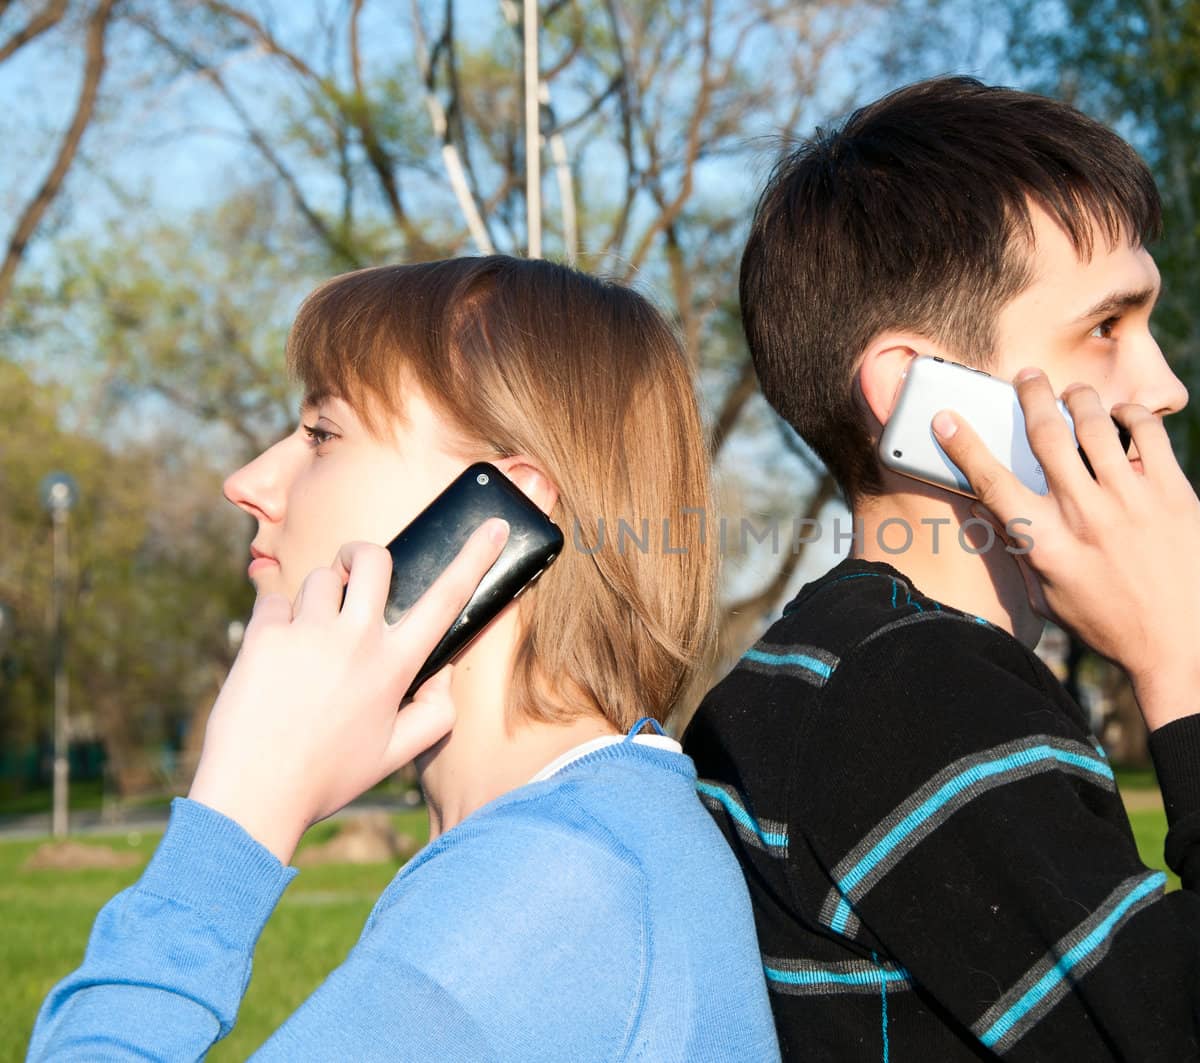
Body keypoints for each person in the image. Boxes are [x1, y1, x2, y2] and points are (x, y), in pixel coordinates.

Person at [683, 77, 1200, 1060]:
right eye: (1106, 328)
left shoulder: (831, 672)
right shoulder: (918, 703)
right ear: (923, 399)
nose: (1163, 386)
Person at [29, 256, 781, 1062]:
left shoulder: (553, 888)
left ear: (499, 512)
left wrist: (233, 822)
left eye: (322, 434)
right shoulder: (594, 835)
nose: (245, 482)